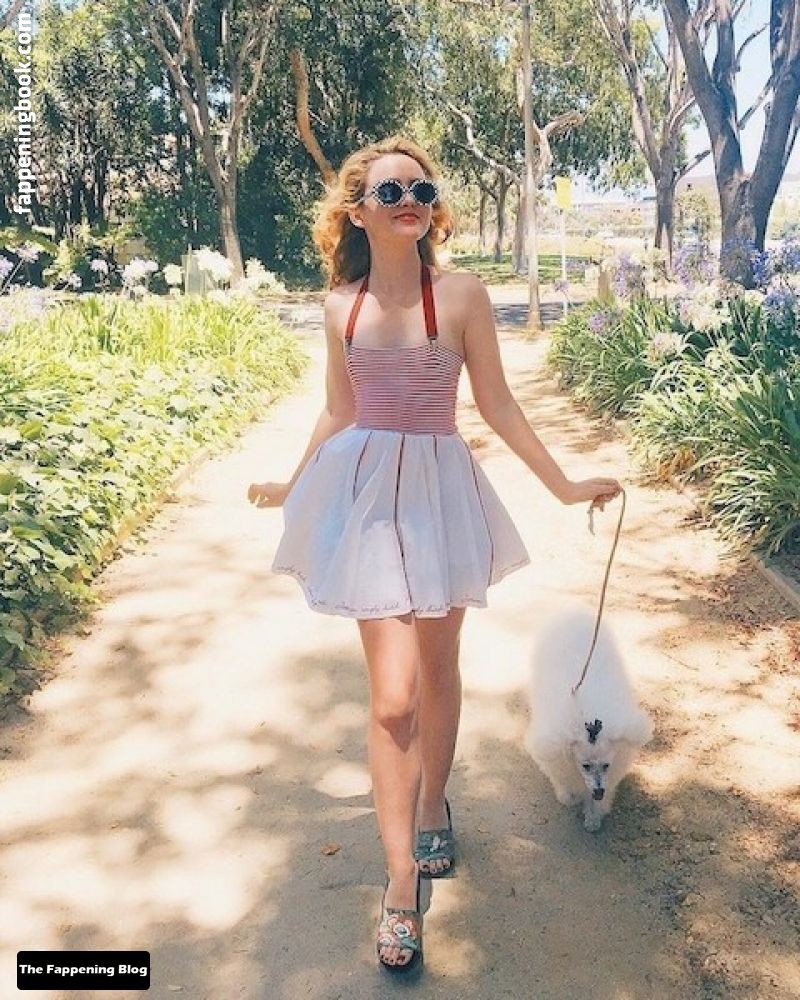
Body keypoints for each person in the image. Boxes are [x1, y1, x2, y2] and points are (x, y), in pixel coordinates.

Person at [247, 135, 623, 974]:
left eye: (421, 189)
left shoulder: (460, 296)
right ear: (358, 213)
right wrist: (290, 483)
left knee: (437, 671)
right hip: (368, 502)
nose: (410, 201)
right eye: (391, 193)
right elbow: (339, 410)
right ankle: (399, 884)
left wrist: (565, 486)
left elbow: (498, 404)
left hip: (439, 495)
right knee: (392, 700)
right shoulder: (340, 306)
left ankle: (430, 810)